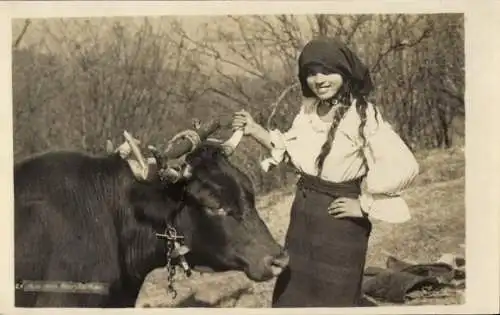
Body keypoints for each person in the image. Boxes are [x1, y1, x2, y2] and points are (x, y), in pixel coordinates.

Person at [231, 37, 420, 307]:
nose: (318, 80)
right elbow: (294, 156)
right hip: (303, 218)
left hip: (339, 224)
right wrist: (254, 130)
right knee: (292, 296)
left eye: (327, 72)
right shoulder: (309, 111)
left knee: (335, 299)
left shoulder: (363, 115)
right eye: (310, 73)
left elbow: (405, 166)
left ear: (344, 72)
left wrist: (364, 206)